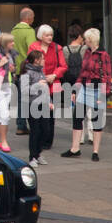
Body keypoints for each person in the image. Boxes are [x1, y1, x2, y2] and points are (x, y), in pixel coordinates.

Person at [61, 27, 112, 161]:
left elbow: (107, 76)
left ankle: (95, 151)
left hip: (97, 90)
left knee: (96, 121)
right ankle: (75, 148)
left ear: (91, 40)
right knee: (77, 117)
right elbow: (82, 73)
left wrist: (103, 95)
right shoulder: (88, 52)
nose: (84, 41)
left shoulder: (103, 55)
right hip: (84, 88)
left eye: (86, 39)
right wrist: (74, 90)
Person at [28, 24, 67, 152]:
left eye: (51, 35)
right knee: (38, 113)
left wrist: (54, 75)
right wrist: (41, 77)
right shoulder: (34, 47)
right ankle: (38, 138)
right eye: (47, 35)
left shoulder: (57, 48)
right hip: (39, 83)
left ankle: (47, 141)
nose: (50, 37)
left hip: (53, 83)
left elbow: (63, 66)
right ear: (41, 36)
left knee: (50, 115)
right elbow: (30, 63)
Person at [21, 50, 51, 168]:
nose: (44, 60)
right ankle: (32, 156)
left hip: (43, 104)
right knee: (35, 131)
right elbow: (24, 91)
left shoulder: (41, 71)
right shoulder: (26, 73)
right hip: (31, 105)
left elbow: (46, 89)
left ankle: (38, 154)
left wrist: (50, 102)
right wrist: (38, 84)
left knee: (46, 130)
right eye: (42, 58)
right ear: (36, 60)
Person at [10, 7, 36, 136]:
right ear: (29, 18)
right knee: (27, 99)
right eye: (33, 17)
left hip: (16, 69)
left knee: (19, 98)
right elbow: (32, 51)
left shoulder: (13, 31)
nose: (33, 20)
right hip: (27, 70)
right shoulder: (29, 31)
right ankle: (23, 125)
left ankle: (20, 124)